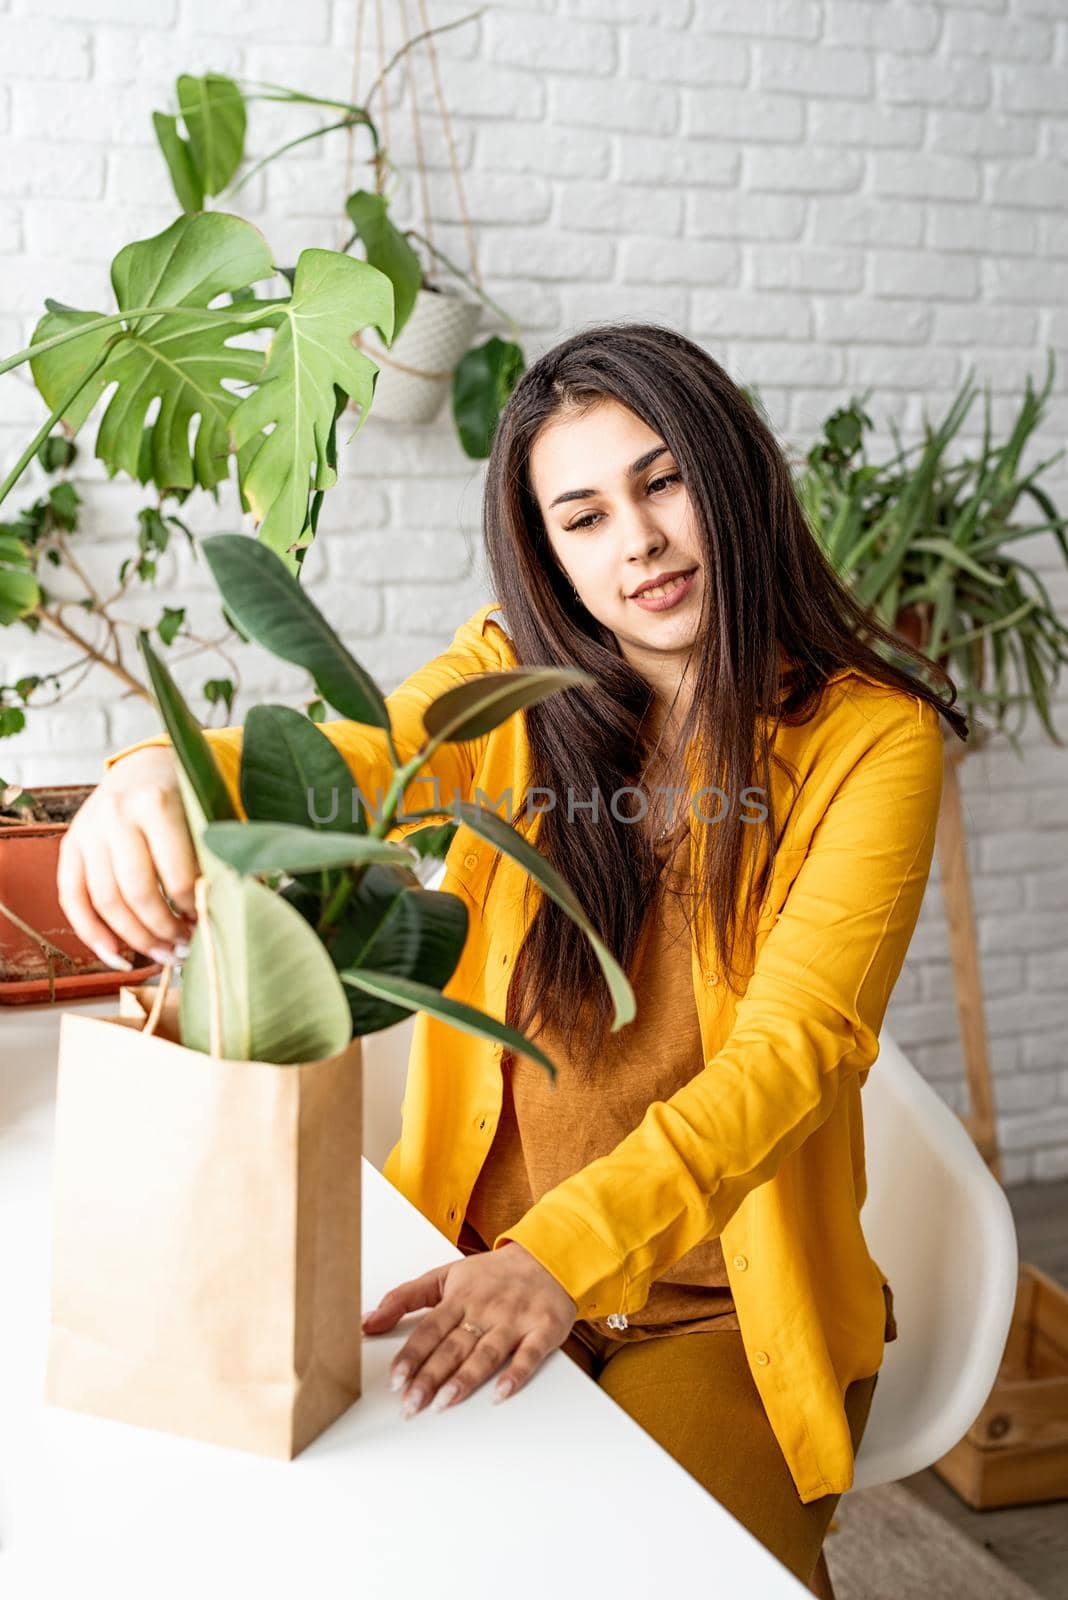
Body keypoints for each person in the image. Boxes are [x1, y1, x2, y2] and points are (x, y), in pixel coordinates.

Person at [59, 323, 967, 1594]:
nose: (638, 540)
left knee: (652, 1571)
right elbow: (356, 756)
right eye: (583, 516)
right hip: (470, 1255)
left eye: (662, 482)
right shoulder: (509, 684)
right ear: (547, 551)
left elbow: (794, 1055)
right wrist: (155, 770)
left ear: (736, 475)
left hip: (713, 1308)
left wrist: (562, 1260)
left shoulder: (875, 741)